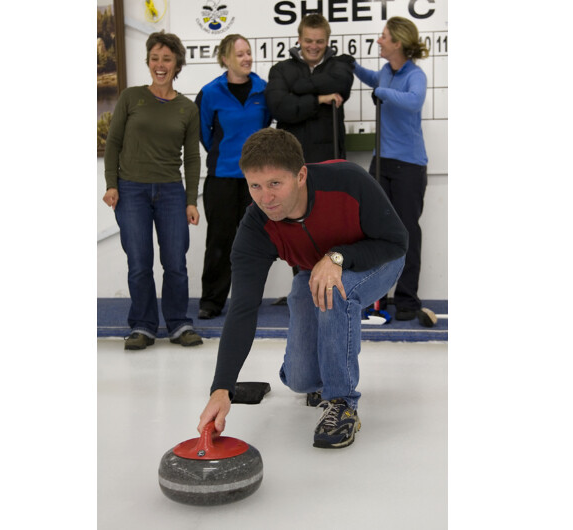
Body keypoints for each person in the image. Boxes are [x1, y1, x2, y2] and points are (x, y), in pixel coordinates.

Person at [197, 129, 407, 449]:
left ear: (301, 175)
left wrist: (338, 257)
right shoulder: (256, 227)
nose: (265, 198)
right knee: (300, 380)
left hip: (379, 258)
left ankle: (342, 403)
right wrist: (221, 388)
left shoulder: (348, 181)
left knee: (334, 290)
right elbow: (242, 308)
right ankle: (318, 380)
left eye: (275, 184)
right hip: (317, 270)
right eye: (255, 186)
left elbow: (397, 241)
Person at [102, 31, 203, 350]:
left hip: (172, 192)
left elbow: (193, 157)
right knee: (139, 262)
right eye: (155, 58)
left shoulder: (187, 108)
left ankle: (178, 323)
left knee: (176, 262)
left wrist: (190, 201)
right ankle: (143, 326)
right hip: (131, 191)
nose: (160, 64)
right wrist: (111, 184)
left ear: (177, 64)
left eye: (167, 59)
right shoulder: (131, 98)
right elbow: (113, 143)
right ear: (148, 62)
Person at [265, 13, 356, 304]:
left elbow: (341, 81)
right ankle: (303, 292)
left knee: (330, 227)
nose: (313, 46)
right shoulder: (281, 69)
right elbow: (281, 108)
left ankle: (328, 287)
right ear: (299, 39)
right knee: (294, 227)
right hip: (292, 162)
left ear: (327, 41)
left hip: (329, 163)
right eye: (308, 41)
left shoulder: (340, 65)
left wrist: (299, 89)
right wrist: (319, 98)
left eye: (319, 42)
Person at [354, 17, 432, 323]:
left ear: (397, 42)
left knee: (407, 232)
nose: (379, 40)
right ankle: (375, 299)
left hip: (409, 165)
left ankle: (407, 300)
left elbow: (414, 102)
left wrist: (383, 94)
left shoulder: (416, 75)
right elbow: (376, 80)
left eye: (383, 36)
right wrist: (352, 67)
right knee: (376, 231)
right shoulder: (387, 71)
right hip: (381, 162)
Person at [194, 34, 272, 320]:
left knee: (253, 241)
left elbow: (265, 127)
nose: (247, 58)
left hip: (256, 181)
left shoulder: (264, 90)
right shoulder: (210, 93)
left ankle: (247, 300)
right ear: (225, 58)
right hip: (222, 178)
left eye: (248, 52)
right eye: (240, 54)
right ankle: (212, 301)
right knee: (220, 241)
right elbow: (204, 134)